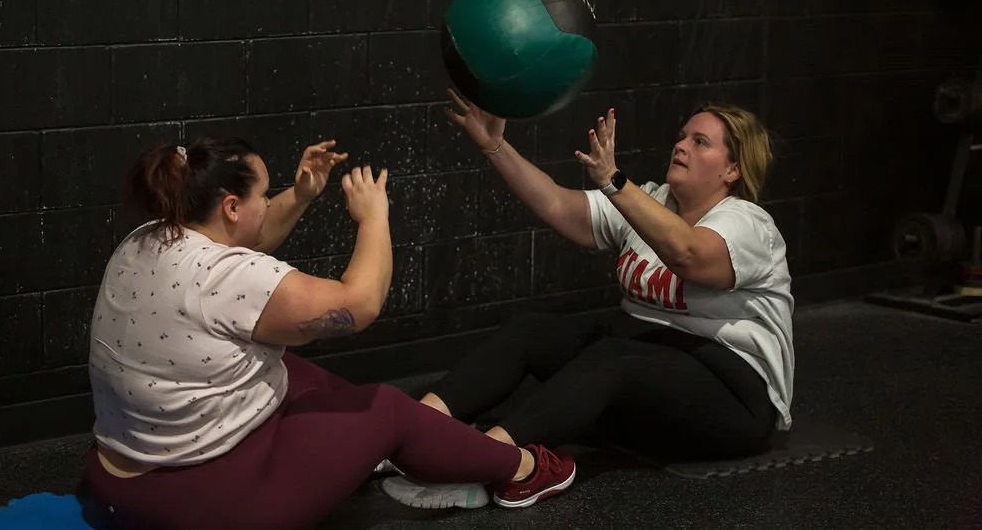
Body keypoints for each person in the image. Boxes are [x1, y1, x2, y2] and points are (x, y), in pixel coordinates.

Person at [78, 136, 576, 530]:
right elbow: (360, 306)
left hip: (114, 483)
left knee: (294, 370)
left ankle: (427, 451)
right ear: (231, 206)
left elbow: (247, 241)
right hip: (198, 509)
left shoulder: (146, 239)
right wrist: (373, 218)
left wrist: (301, 193)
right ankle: (523, 472)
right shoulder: (225, 276)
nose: (268, 202)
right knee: (386, 408)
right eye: (263, 195)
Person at [381, 89, 794, 504]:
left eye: (699, 142)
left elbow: (688, 253)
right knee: (533, 331)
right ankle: (414, 432)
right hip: (649, 374)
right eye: (682, 136)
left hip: (732, 396)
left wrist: (615, 181)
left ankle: (480, 461)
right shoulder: (651, 202)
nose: (681, 145)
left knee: (614, 355)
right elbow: (557, 204)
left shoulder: (749, 226)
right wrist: (495, 146)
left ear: (733, 170)